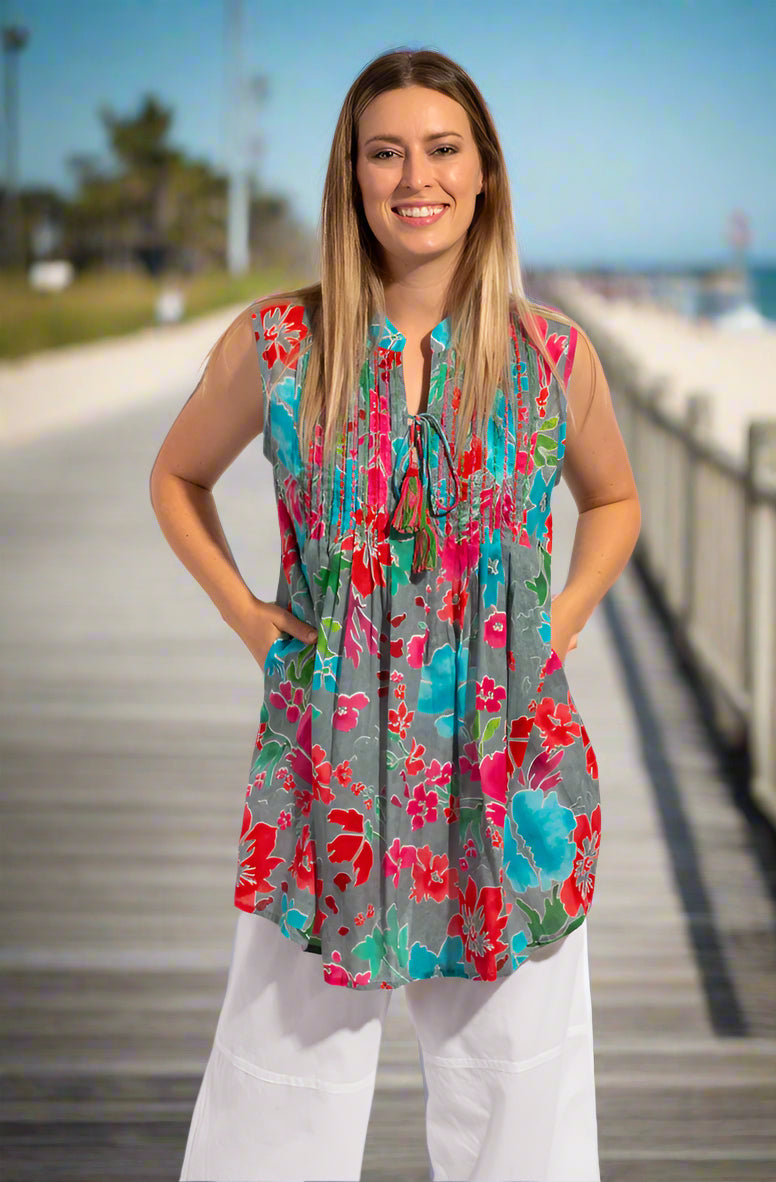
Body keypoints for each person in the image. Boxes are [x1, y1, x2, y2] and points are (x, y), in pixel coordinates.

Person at [149, 46, 641, 1182]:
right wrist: (248, 616)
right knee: (281, 1073)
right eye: (384, 152)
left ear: (483, 176)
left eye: (440, 149)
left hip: (505, 753)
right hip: (328, 752)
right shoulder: (279, 345)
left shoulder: (548, 353)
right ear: (352, 178)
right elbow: (175, 478)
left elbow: (611, 499)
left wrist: (556, 621)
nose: (412, 176)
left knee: (518, 1082)